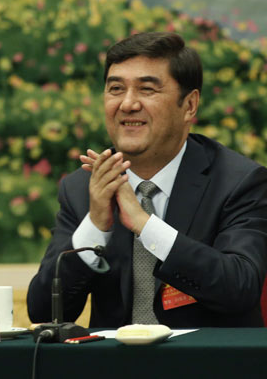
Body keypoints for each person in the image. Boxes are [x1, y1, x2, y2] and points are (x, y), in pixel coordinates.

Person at [27, 32, 267, 328]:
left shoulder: (238, 182)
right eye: (116, 89)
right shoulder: (82, 188)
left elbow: (240, 288)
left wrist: (145, 224)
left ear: (189, 106)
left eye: (147, 90)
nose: (127, 104)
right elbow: (44, 313)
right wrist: (95, 226)